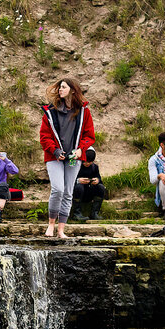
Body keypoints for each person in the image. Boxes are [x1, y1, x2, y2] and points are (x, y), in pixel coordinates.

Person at [39, 78, 95, 238]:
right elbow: (44, 136)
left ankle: (61, 229)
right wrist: (54, 150)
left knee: (68, 192)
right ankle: (51, 224)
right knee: (58, 189)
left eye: (63, 87)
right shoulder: (50, 111)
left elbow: (89, 135)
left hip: (73, 157)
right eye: (59, 87)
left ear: (72, 90)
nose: (59, 90)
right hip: (54, 157)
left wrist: (80, 150)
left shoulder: (84, 112)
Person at [72, 147, 107, 220]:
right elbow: (68, 180)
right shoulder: (75, 165)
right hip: (77, 193)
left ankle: (95, 213)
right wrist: (78, 180)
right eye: (85, 161)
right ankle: (76, 213)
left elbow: (99, 179)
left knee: (101, 187)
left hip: (89, 192)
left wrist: (97, 180)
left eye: (89, 162)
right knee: (79, 187)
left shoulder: (94, 167)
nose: (87, 163)